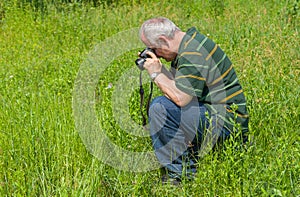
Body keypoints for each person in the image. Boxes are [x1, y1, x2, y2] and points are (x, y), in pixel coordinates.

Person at [138, 17, 249, 184]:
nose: (154, 53)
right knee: (165, 105)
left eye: (153, 48)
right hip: (217, 113)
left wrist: (156, 74)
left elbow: (181, 99)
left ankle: (180, 176)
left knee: (160, 108)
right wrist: (160, 70)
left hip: (228, 123)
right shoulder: (189, 43)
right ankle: (189, 156)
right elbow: (180, 89)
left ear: (162, 40)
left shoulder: (192, 53)